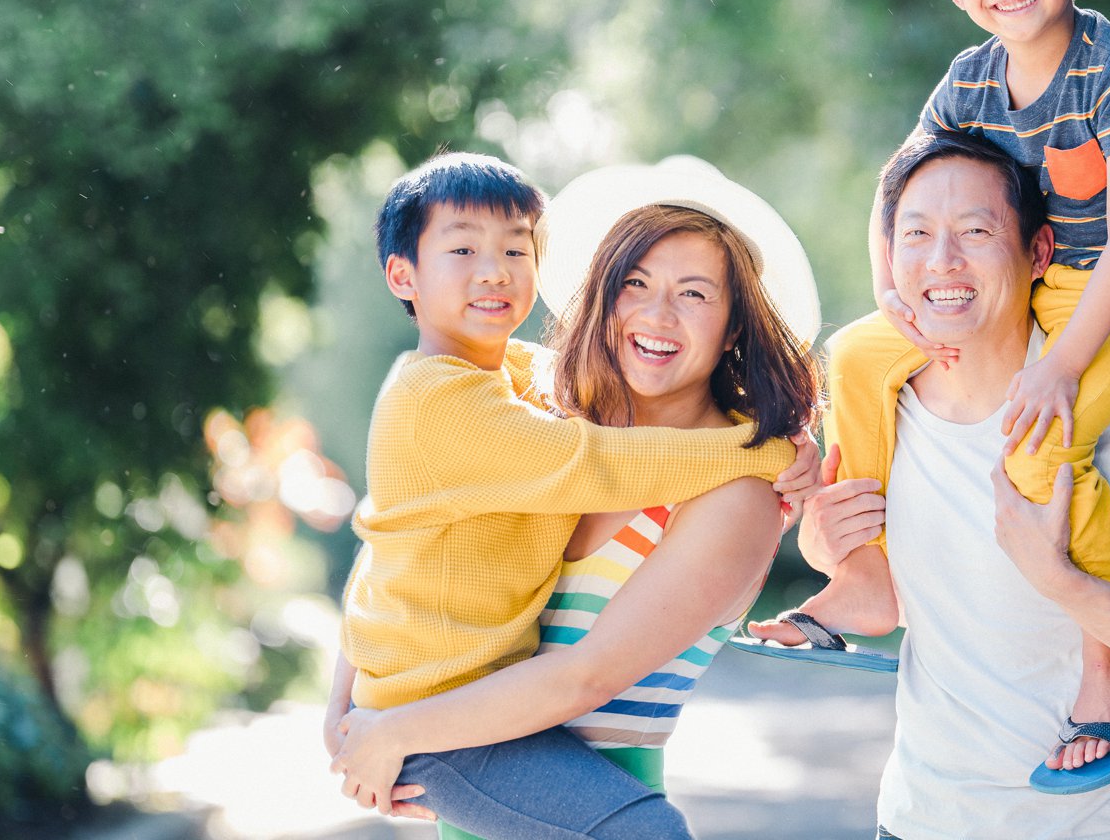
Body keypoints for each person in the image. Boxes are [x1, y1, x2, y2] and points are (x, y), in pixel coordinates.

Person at [751, 0, 1110, 781]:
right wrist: (894, 291)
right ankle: (868, 574)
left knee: (1043, 435)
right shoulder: (969, 79)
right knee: (857, 357)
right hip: (1034, 282)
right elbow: (899, 188)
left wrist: (1060, 365)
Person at [760, 131, 1110, 837]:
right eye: (917, 233)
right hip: (920, 819)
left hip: (1102, 825)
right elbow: (940, 603)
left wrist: (1066, 581)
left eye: (976, 231)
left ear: (1038, 252)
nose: (942, 260)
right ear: (889, 256)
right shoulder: (879, 413)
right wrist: (836, 551)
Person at [327, 156, 824, 838]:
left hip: (594, 803)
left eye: (695, 294)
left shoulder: (735, 493)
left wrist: (389, 731)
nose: (656, 314)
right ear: (603, 293)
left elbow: (582, 679)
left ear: (735, 324)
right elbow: (403, 532)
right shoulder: (546, 418)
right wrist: (348, 711)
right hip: (479, 801)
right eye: (635, 283)